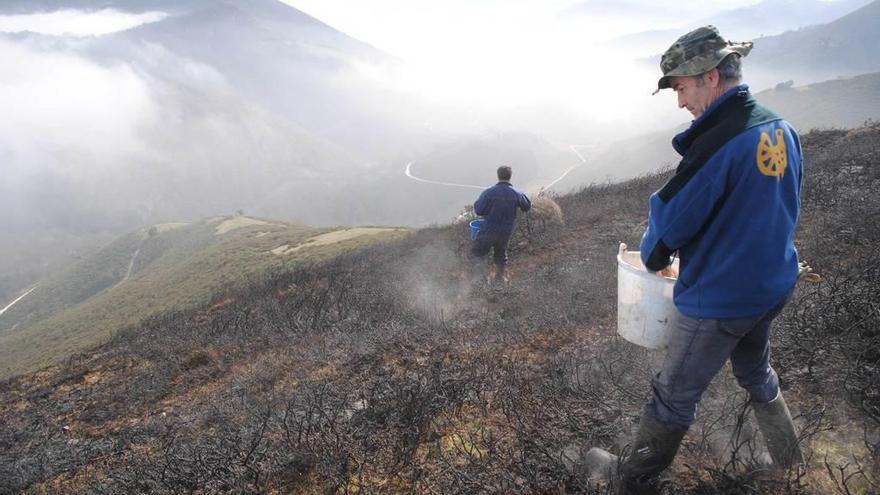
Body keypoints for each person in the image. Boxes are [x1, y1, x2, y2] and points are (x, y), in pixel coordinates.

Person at [577, 26, 805, 493]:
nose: (680, 102)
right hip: (772, 285)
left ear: (710, 76)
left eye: (681, 87)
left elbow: (664, 235)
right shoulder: (781, 129)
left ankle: (631, 480)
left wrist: (655, 252)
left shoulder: (719, 146)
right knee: (756, 371)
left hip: (721, 299)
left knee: (673, 394)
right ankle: (791, 458)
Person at [471, 165, 531, 284]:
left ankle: (481, 280)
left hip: (489, 229)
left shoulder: (488, 192)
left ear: (498, 176)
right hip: (506, 231)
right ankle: (500, 279)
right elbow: (527, 206)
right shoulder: (517, 193)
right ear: (510, 176)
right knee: (501, 251)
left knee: (478, 252)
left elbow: (478, 210)